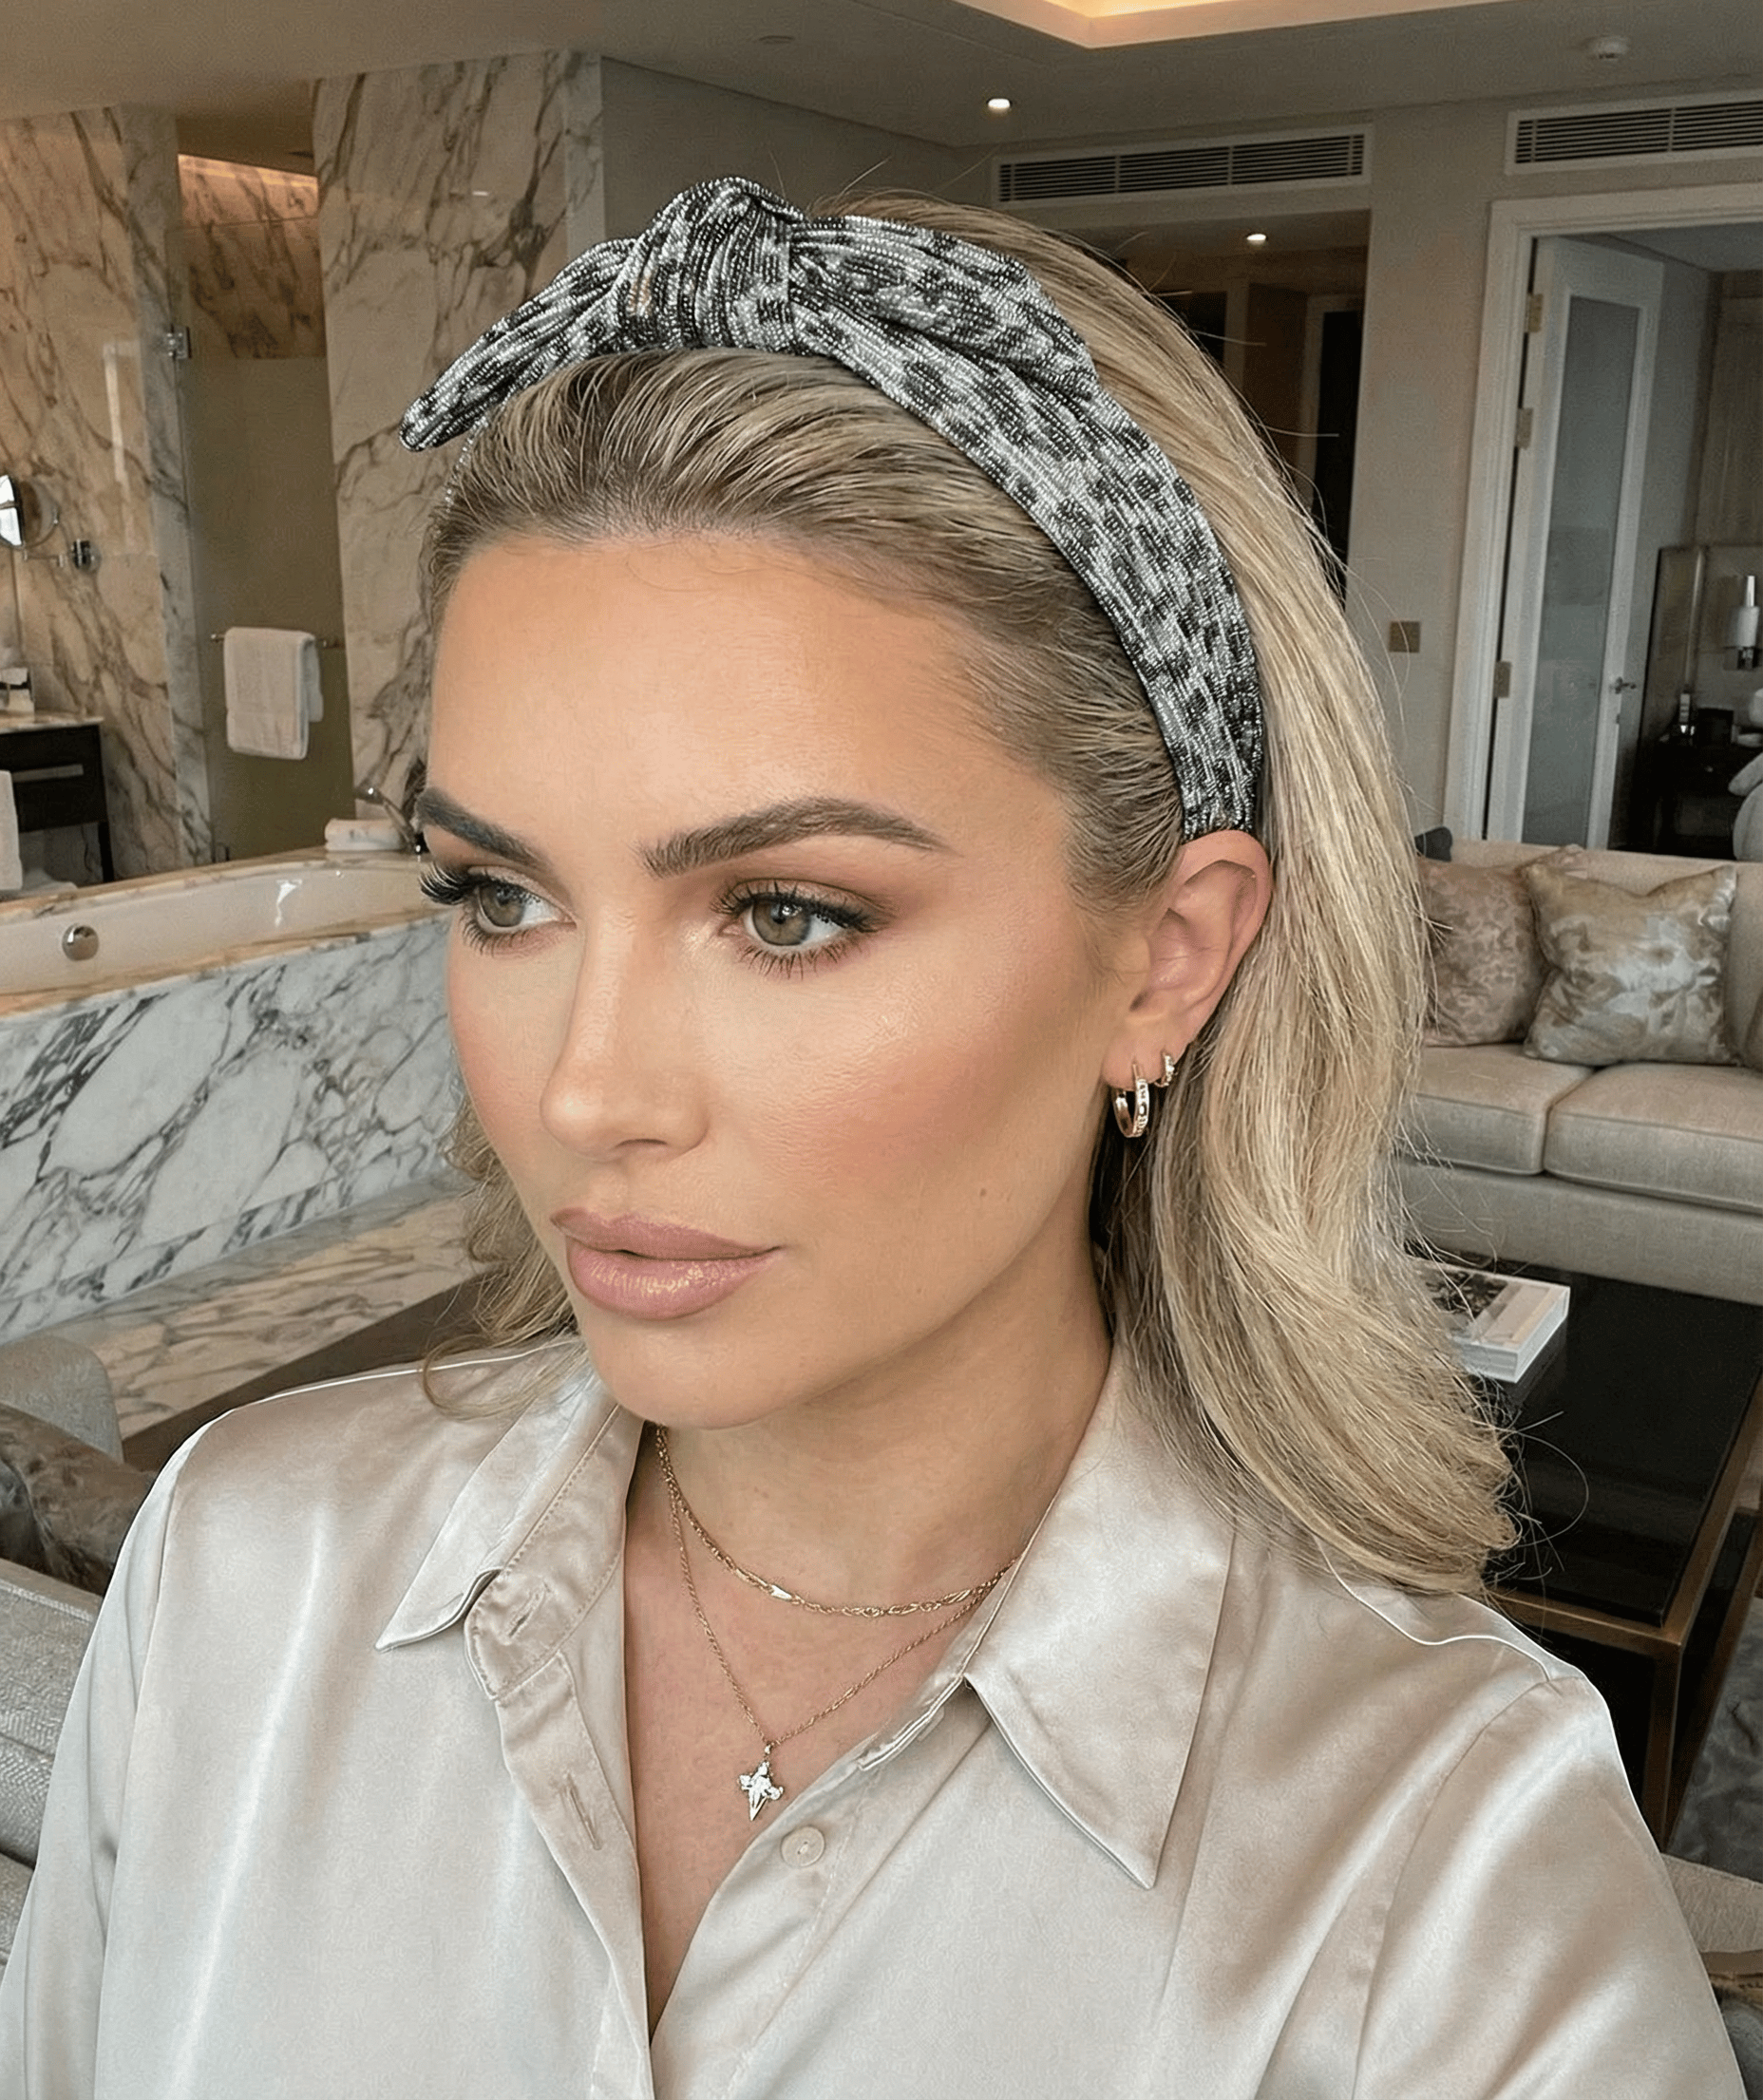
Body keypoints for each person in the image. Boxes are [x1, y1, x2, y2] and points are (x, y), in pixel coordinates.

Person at [0, 180, 1738, 2096]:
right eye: (500, 896)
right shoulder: (242, 1578)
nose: (583, 1095)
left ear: (1166, 962)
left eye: (785, 913)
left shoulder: (1454, 1892)